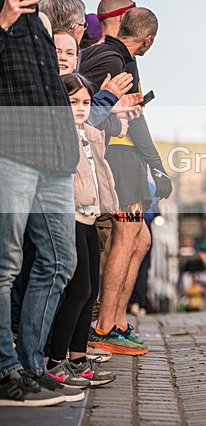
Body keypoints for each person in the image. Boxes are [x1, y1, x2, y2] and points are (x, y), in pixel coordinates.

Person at [0, 0, 83, 406]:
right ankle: (6, 368)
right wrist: (4, 19)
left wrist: (68, 148)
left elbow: (52, 86)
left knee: (60, 260)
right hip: (10, 149)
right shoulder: (8, 11)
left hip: (52, 154)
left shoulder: (37, 16)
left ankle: (33, 366)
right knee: (6, 262)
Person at [81, 7, 172, 355]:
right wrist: (158, 166)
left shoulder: (109, 55)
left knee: (140, 240)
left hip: (119, 158)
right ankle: (104, 327)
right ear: (148, 40)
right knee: (127, 234)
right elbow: (131, 122)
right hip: (119, 159)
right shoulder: (116, 62)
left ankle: (117, 321)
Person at [46, 73, 117, 388]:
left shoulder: (91, 134)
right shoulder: (59, 133)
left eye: (86, 102)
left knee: (90, 291)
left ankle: (78, 358)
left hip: (90, 219)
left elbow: (100, 174)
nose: (80, 108)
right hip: (71, 218)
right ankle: (55, 361)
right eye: (73, 101)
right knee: (76, 292)